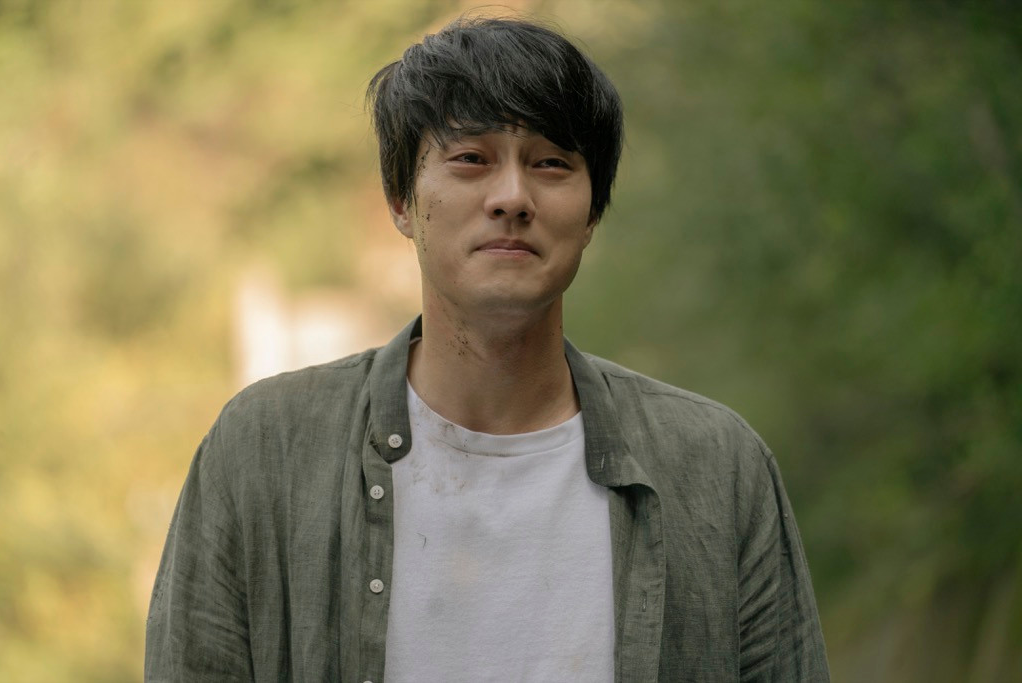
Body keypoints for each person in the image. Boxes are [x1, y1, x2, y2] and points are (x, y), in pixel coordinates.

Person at [145, 15, 830, 682]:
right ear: (401, 200)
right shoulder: (266, 451)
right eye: (471, 159)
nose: (511, 197)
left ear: (592, 212)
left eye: (551, 163)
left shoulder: (715, 467)